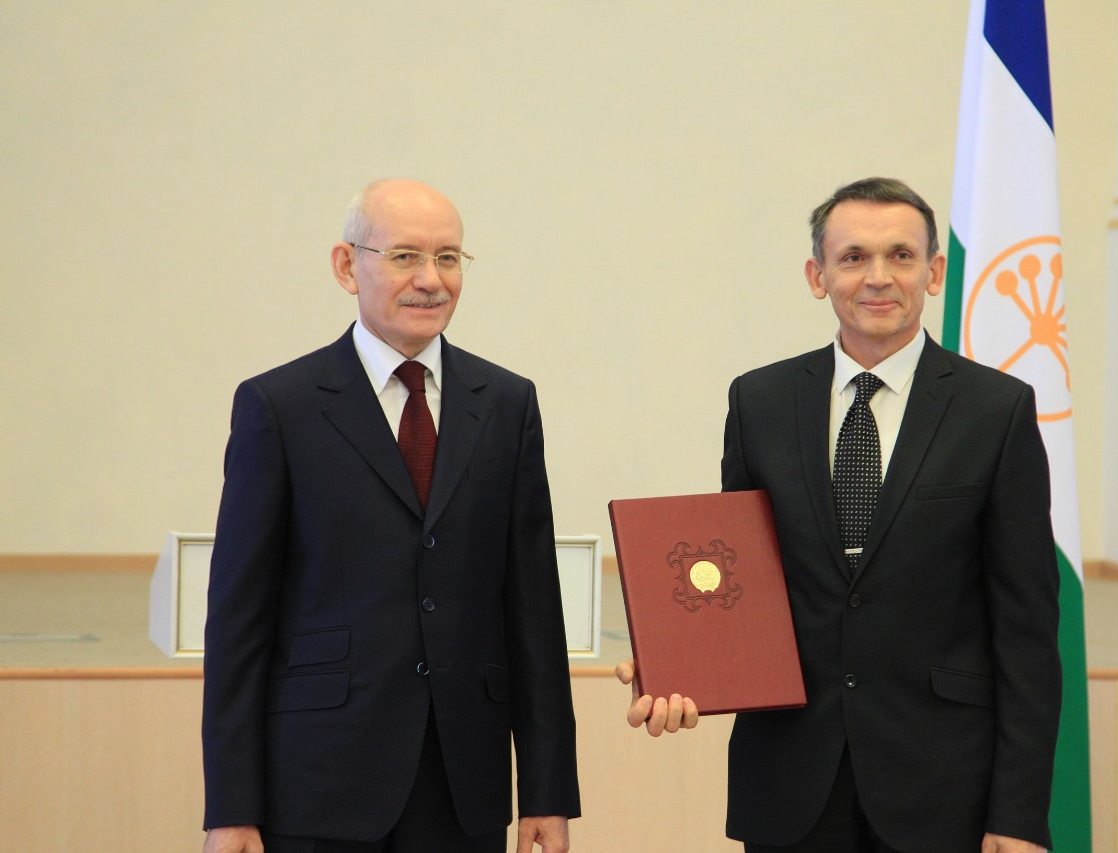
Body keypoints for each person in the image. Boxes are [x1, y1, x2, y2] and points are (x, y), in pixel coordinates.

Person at [618, 177, 1061, 853]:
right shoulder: (760, 401)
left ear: (934, 272)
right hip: (791, 780)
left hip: (943, 787)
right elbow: (734, 578)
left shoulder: (996, 411)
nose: (878, 277)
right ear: (817, 276)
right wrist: (675, 664)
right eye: (853, 257)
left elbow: (1026, 634)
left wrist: (1020, 814)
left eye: (901, 255)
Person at [202, 179, 579, 853]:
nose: (431, 280)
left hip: (463, 786)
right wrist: (231, 807)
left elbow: (534, 614)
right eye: (405, 256)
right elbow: (239, 622)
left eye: (448, 258)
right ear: (347, 266)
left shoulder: (507, 404)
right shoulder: (280, 406)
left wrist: (548, 790)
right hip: (317, 785)